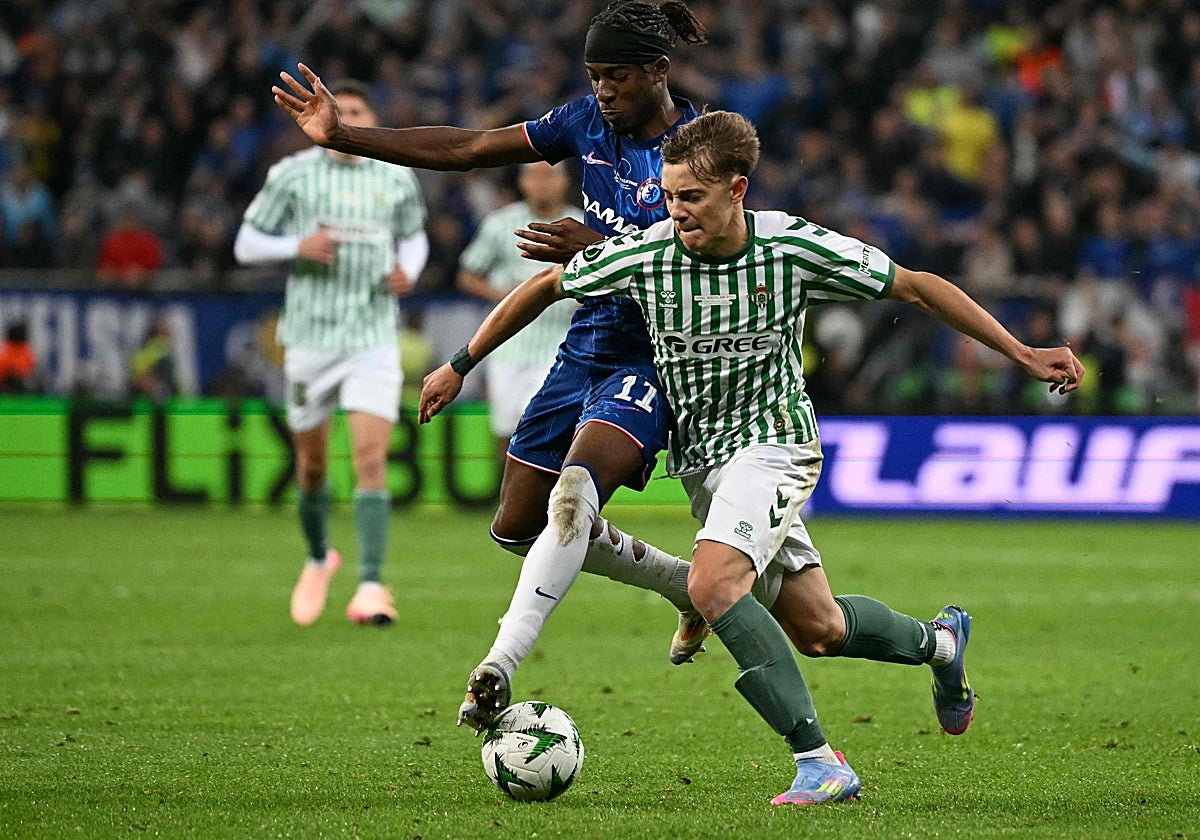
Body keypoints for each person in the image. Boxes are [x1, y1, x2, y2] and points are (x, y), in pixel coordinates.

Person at [419, 111, 1085, 804]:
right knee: (819, 628)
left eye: (693, 199)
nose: (677, 213)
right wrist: (460, 363)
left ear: (737, 190)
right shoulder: (647, 253)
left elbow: (916, 286)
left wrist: (1022, 353)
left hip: (775, 444)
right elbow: (545, 287)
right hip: (705, 463)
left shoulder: (792, 246)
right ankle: (942, 643)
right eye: (671, 197)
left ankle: (821, 762)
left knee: (712, 585)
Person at [273, 0, 712, 717]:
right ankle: (683, 585)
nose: (603, 90)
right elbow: (471, 148)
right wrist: (346, 133)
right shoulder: (585, 124)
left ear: (658, 72)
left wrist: (597, 251)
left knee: (574, 494)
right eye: (595, 76)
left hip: (659, 355)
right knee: (516, 525)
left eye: (617, 77)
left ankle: (497, 666)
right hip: (586, 345)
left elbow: (707, 265)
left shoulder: (700, 149)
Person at [234, 79, 430, 628]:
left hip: (372, 338)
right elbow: (246, 243)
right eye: (335, 111)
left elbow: (414, 237)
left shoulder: (395, 175)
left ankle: (371, 585)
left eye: (355, 112)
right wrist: (296, 246)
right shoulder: (293, 175)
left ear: (370, 119)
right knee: (313, 467)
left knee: (370, 462)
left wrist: (407, 269)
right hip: (310, 339)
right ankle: (320, 557)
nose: (344, 120)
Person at [456, 162, 584, 462]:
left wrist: (585, 299)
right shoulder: (501, 225)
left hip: (562, 349)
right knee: (506, 433)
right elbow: (467, 275)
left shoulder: (581, 226)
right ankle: (512, 504)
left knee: (554, 433)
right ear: (522, 182)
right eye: (534, 175)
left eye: (549, 175)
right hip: (508, 348)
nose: (542, 183)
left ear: (565, 182)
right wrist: (504, 297)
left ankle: (552, 506)